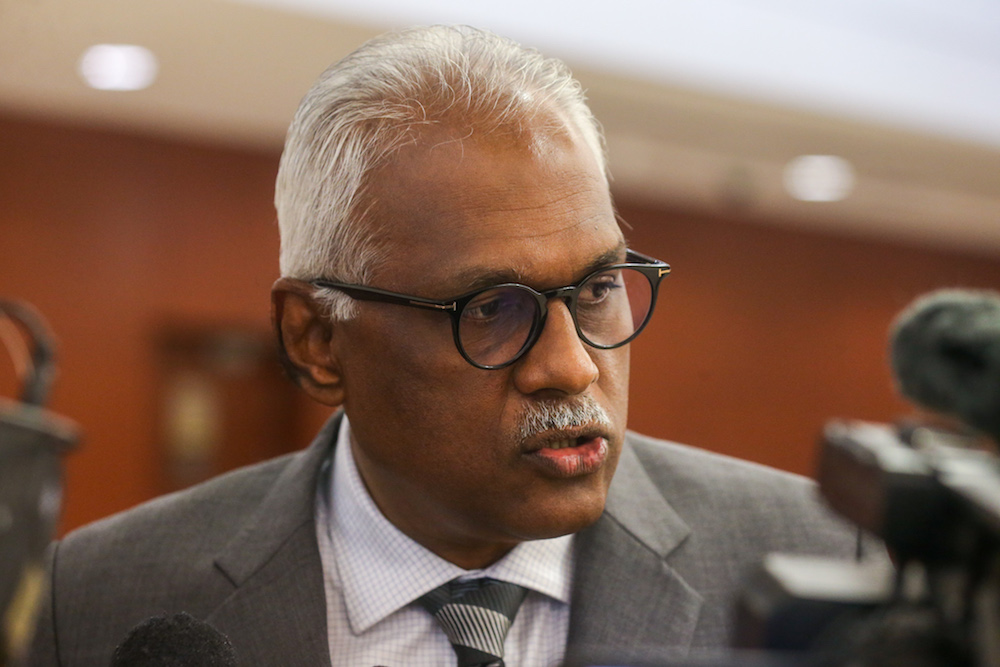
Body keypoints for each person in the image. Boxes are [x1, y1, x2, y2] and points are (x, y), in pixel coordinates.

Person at [29, 25, 872, 667]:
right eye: (491, 309)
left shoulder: (822, 561)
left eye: (597, 288)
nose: (573, 366)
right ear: (317, 339)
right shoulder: (97, 596)